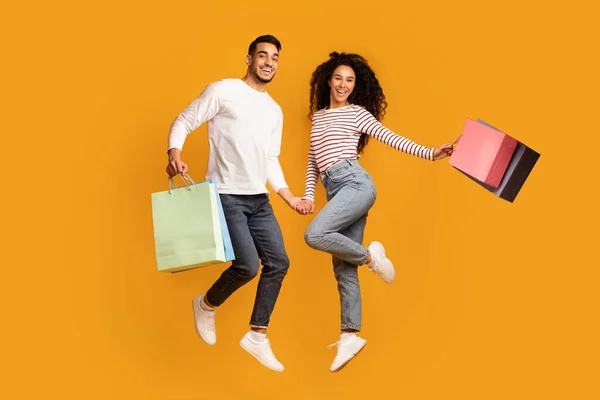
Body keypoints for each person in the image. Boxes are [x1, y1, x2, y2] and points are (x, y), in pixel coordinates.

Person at [294, 52, 454, 372]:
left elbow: (390, 138)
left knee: (315, 234)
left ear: (355, 86)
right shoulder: (318, 117)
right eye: (339, 78)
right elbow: (314, 163)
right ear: (328, 79)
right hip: (333, 190)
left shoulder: (357, 113)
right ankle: (350, 335)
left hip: (355, 184)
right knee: (343, 269)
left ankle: (370, 257)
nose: (343, 84)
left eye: (350, 80)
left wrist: (431, 153)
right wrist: (309, 197)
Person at [166, 34, 301, 372]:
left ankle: (257, 334)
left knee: (279, 263)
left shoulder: (274, 110)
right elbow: (184, 120)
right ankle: (206, 305)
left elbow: (271, 158)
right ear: (249, 59)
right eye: (262, 56)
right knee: (246, 266)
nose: (269, 62)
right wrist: (175, 154)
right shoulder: (223, 90)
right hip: (226, 194)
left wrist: (289, 196)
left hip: (259, 200)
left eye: (274, 58)